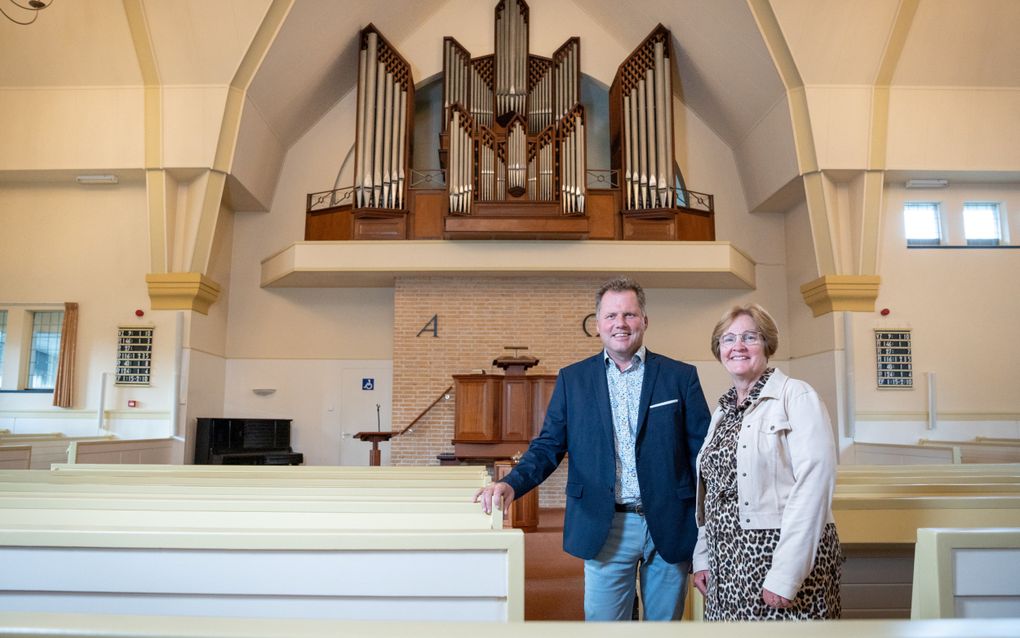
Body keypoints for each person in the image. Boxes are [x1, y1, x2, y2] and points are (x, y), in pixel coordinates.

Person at [475, 276, 710, 621]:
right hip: (607, 523)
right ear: (597, 324)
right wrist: (512, 483)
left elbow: (701, 453)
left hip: (670, 520)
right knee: (604, 626)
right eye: (611, 316)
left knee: (665, 626)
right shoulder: (574, 379)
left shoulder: (680, 376)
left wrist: (709, 525)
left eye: (629, 315)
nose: (621, 324)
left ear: (645, 321)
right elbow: (548, 446)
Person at [691, 304, 842, 620]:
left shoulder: (797, 396)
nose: (738, 346)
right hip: (726, 562)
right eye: (728, 339)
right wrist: (702, 557)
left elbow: (815, 486)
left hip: (777, 556)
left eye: (750, 337)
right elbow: (712, 493)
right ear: (719, 350)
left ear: (767, 344)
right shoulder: (723, 412)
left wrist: (786, 574)